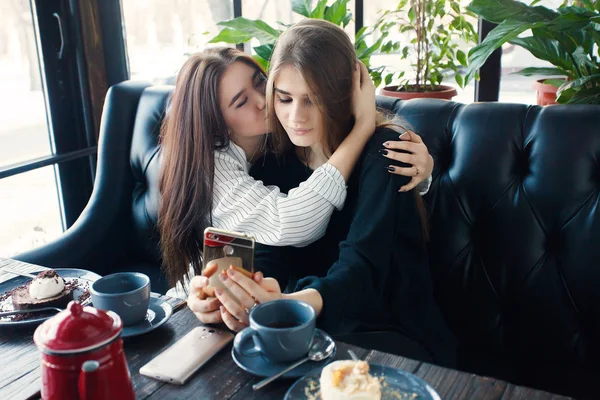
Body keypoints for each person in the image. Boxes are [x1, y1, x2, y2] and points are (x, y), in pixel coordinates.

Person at [188, 20, 456, 366]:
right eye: (284, 98)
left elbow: (363, 271)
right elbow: (271, 253)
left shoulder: (385, 151)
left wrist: (288, 303)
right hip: (310, 327)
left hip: (387, 329)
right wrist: (233, 295)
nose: (295, 116)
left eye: (312, 101)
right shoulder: (274, 156)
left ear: (344, 95)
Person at [159, 47, 434, 290]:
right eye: (241, 102)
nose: (262, 100)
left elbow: (304, 59)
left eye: (262, 83)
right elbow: (291, 225)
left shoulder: (281, 138)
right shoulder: (218, 168)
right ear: (217, 124)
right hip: (201, 295)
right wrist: (363, 128)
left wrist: (422, 171)